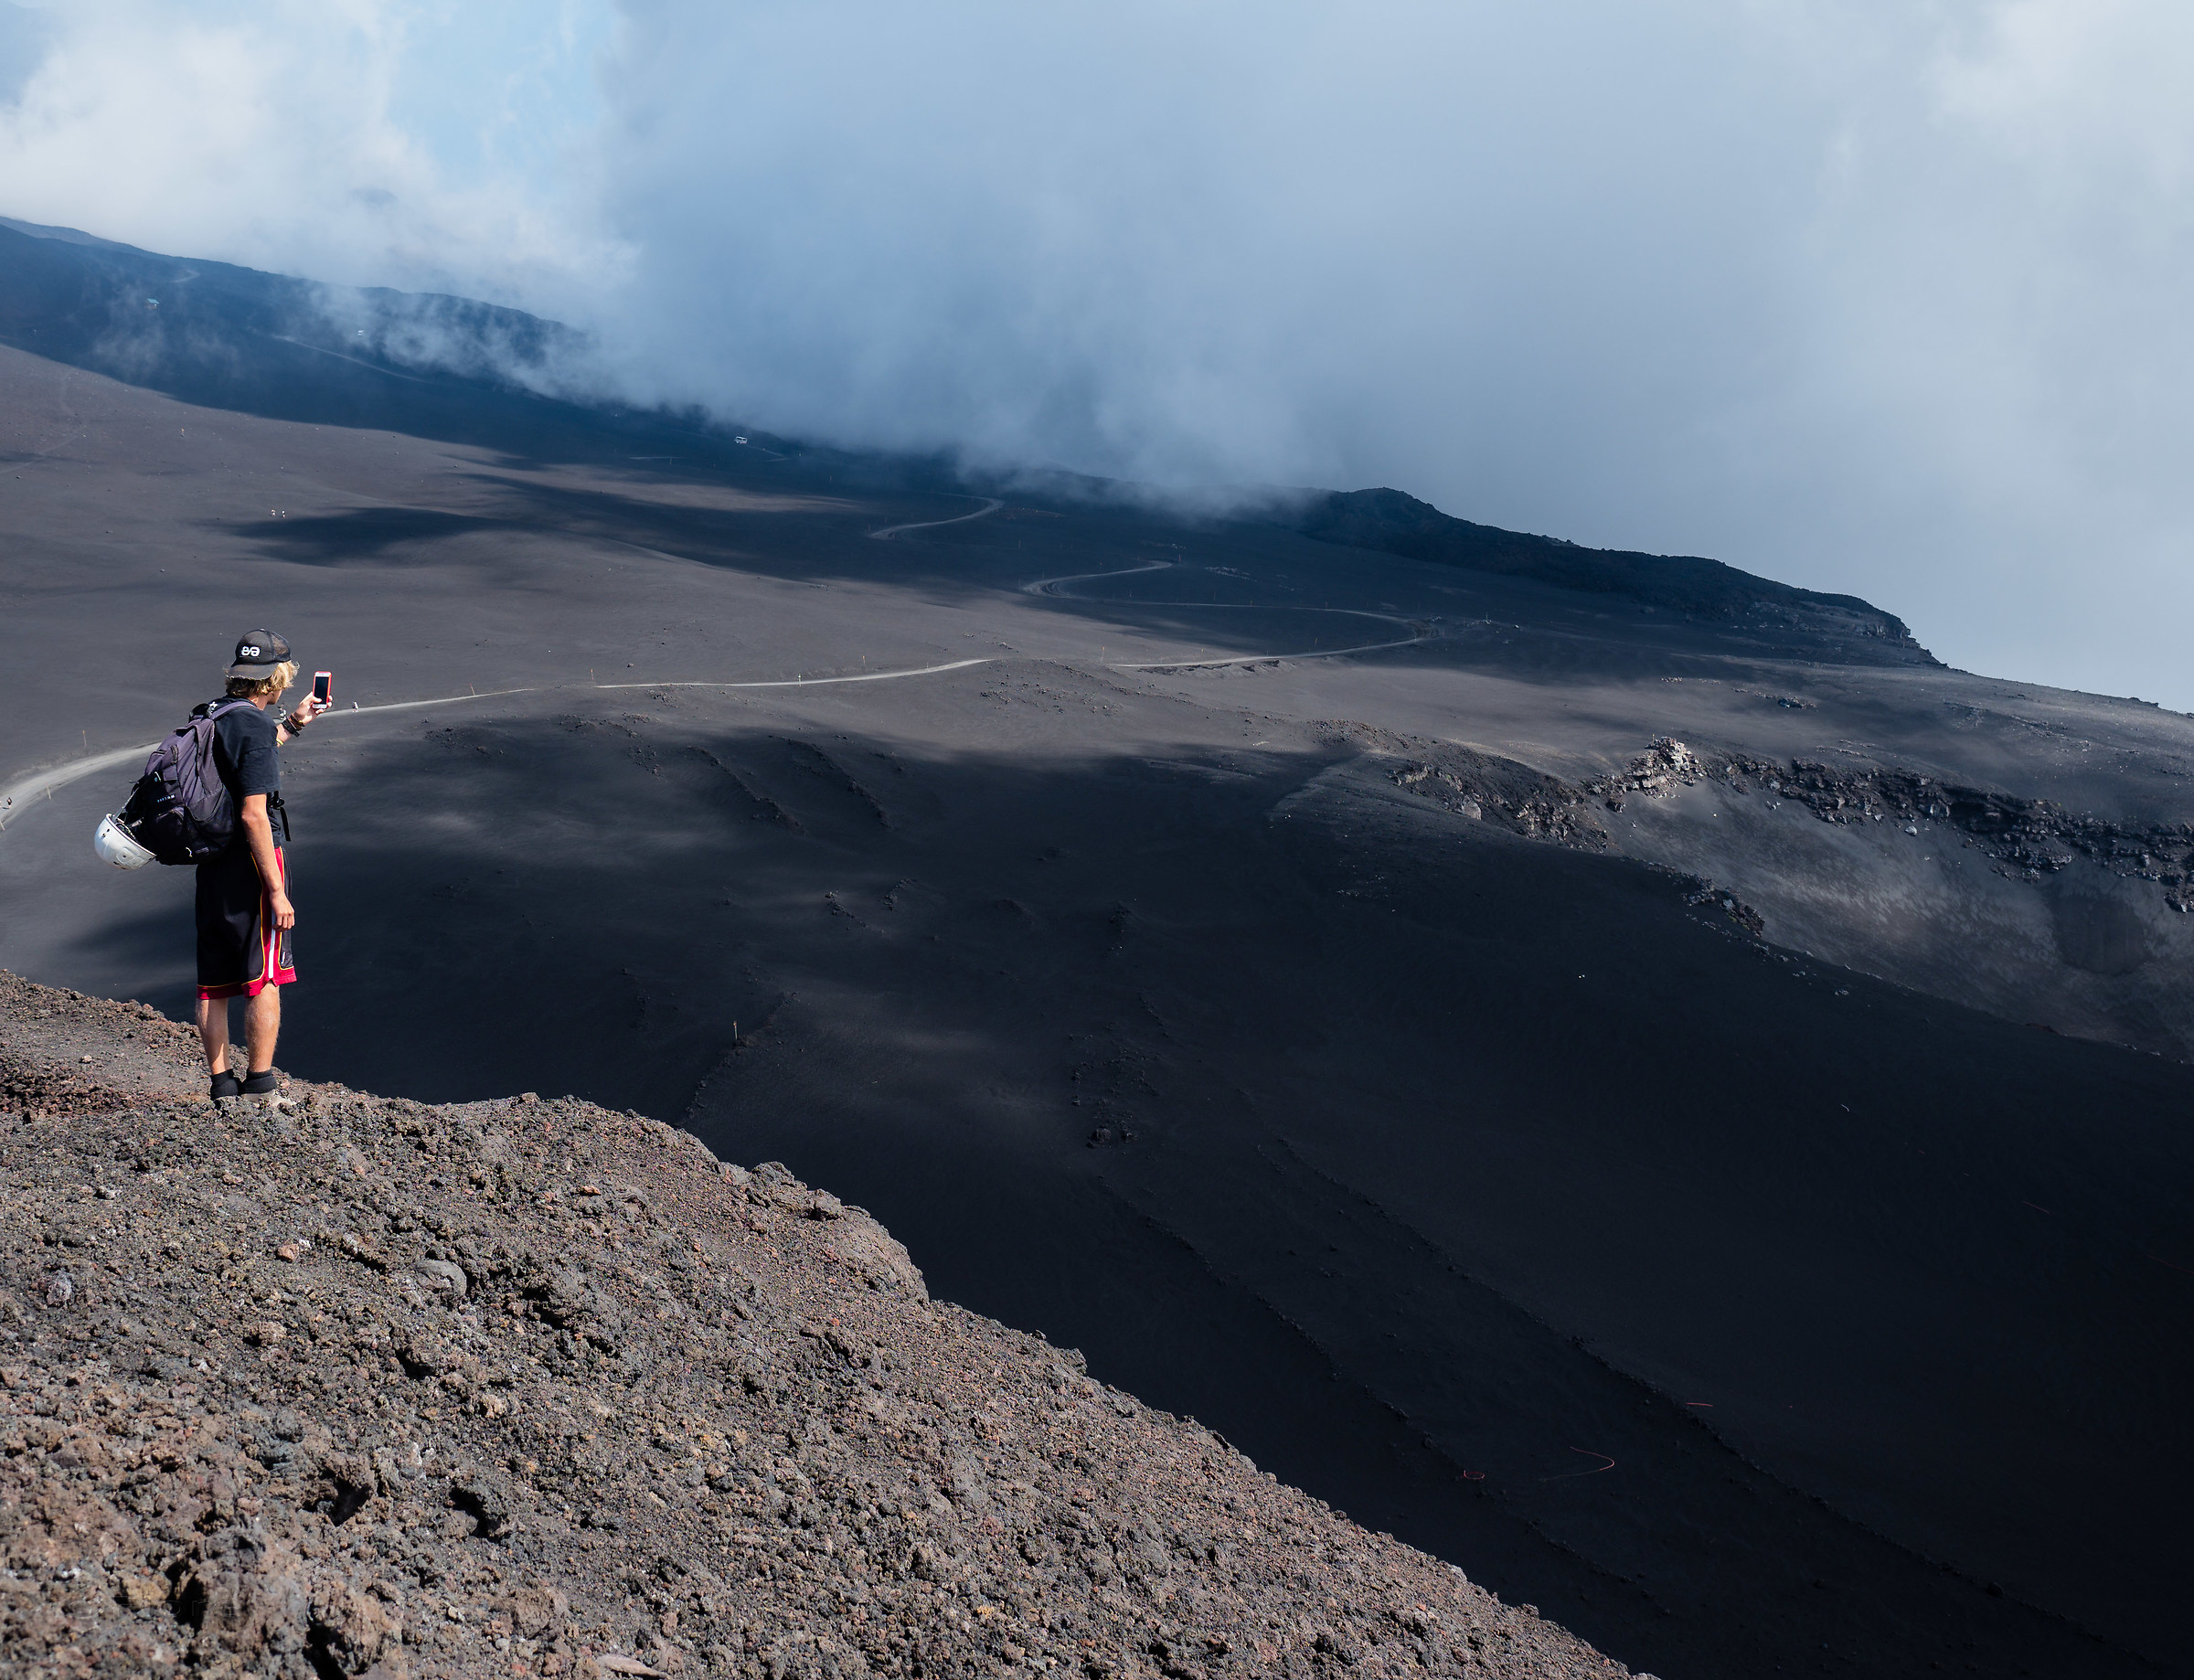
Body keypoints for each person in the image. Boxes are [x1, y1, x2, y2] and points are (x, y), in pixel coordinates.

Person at [194, 631, 327, 1101]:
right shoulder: (252, 726)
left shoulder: (213, 714)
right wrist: (275, 889)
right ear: (277, 677)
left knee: (213, 981)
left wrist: (295, 723)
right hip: (251, 865)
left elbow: (250, 751)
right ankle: (260, 1083)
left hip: (210, 863)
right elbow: (253, 812)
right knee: (265, 974)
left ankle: (221, 1084)